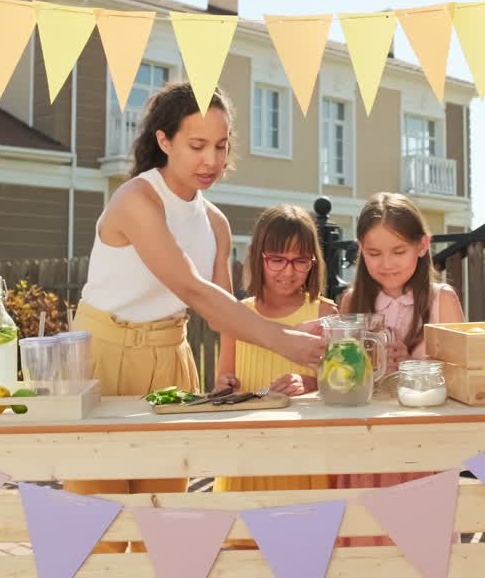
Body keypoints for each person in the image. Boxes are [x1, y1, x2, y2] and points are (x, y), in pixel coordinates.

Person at [61, 82, 325, 553]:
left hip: (172, 362)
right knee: (96, 525)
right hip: (102, 359)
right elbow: (190, 288)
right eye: (197, 145)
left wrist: (289, 336)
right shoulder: (136, 199)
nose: (211, 160)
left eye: (221, 147)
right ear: (164, 141)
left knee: (161, 521)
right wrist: (283, 341)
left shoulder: (216, 222)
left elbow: (226, 312)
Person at [332, 191, 464, 547]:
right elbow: (341, 380)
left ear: (422, 246)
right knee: (362, 543)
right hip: (363, 448)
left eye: (398, 251)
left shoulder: (441, 300)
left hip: (421, 450)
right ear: (360, 248)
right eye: (374, 253)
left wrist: (411, 367)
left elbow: (460, 381)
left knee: (418, 548)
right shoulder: (350, 301)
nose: (386, 263)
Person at [213, 205, 337, 507]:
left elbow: (342, 384)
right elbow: (222, 382)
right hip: (248, 455)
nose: (288, 271)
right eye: (277, 260)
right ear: (257, 255)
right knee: (245, 543)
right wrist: (226, 385)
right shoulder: (238, 316)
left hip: (306, 456)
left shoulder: (325, 313)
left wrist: (311, 382)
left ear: (313, 262)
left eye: (300, 261)